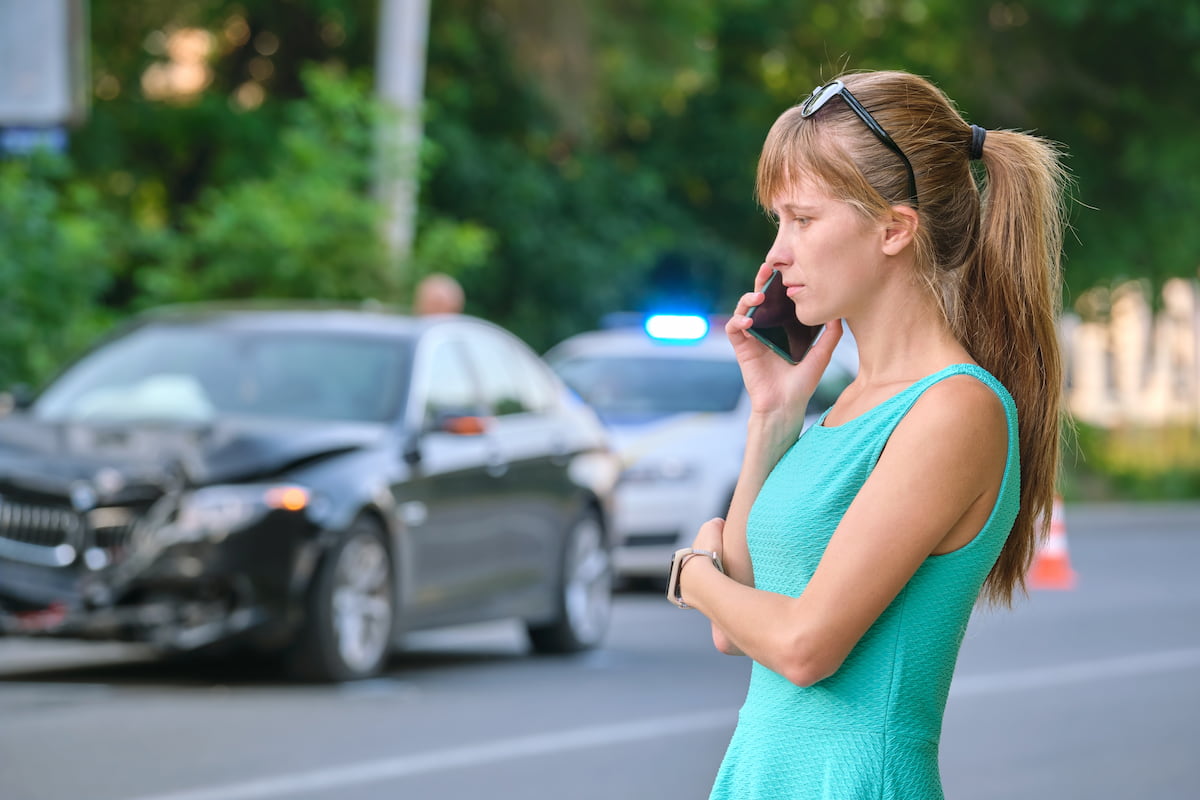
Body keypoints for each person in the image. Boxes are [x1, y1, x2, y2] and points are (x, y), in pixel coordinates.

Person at [669, 70, 1069, 799]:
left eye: (803, 219)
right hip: (764, 774)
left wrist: (689, 574)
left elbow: (803, 645)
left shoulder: (956, 410)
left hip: (852, 780)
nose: (778, 253)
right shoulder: (849, 404)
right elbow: (742, 621)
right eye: (777, 222)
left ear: (894, 228)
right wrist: (774, 415)